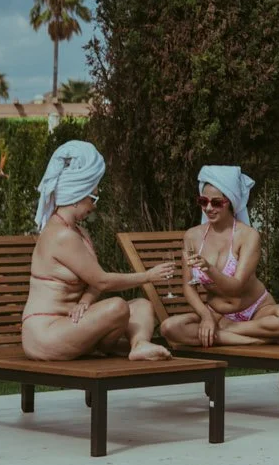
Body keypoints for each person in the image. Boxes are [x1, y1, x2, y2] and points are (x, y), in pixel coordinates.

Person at [23, 140, 176, 362]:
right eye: (93, 197)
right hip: (46, 332)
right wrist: (148, 276)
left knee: (142, 306)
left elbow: (94, 282)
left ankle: (139, 344)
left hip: (74, 325)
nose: (94, 205)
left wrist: (85, 300)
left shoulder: (80, 232)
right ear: (76, 195)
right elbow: (102, 281)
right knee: (118, 306)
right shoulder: (61, 235)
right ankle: (129, 344)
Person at [158, 165, 279, 348]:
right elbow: (188, 287)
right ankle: (255, 340)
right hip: (217, 314)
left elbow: (236, 287)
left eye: (216, 202)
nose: (208, 208)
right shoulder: (192, 236)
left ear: (230, 201)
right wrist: (206, 317)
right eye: (203, 201)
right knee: (169, 328)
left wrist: (209, 269)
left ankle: (228, 332)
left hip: (257, 311)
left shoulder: (247, 236)